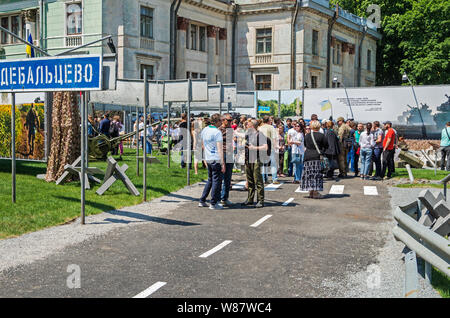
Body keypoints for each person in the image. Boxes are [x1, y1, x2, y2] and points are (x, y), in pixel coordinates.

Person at [198, 114, 226, 210]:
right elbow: (219, 148)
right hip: (216, 158)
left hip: (208, 157)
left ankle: (202, 200)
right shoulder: (217, 132)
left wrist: (205, 157)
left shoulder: (205, 130)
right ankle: (213, 203)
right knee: (216, 181)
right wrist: (222, 163)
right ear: (217, 121)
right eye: (221, 121)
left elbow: (202, 145)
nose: (222, 123)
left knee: (210, 179)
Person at [242, 119, 267, 208]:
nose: (246, 125)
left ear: (252, 126)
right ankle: (250, 199)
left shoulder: (260, 135)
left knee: (258, 180)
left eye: (248, 124)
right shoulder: (248, 134)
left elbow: (265, 147)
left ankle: (260, 200)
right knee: (250, 180)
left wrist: (254, 147)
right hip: (248, 159)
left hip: (257, 159)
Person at [301, 120, 328, 199]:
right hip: (317, 156)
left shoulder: (307, 135)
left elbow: (305, 144)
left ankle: (311, 192)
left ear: (312, 127)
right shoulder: (322, 136)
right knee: (316, 175)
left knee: (309, 175)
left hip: (308, 156)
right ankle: (315, 193)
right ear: (319, 126)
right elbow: (326, 145)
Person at [220, 113, 235, 206]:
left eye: (231, 120)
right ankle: (217, 198)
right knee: (220, 177)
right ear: (223, 120)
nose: (230, 122)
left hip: (229, 154)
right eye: (229, 120)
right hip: (222, 154)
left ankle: (224, 198)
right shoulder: (219, 130)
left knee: (228, 178)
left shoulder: (230, 130)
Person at [258, 115, 277, 184]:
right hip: (270, 147)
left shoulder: (260, 128)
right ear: (269, 121)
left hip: (262, 147)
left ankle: (263, 179)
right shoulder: (271, 127)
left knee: (263, 164)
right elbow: (274, 138)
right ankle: (274, 179)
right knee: (273, 163)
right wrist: (275, 147)